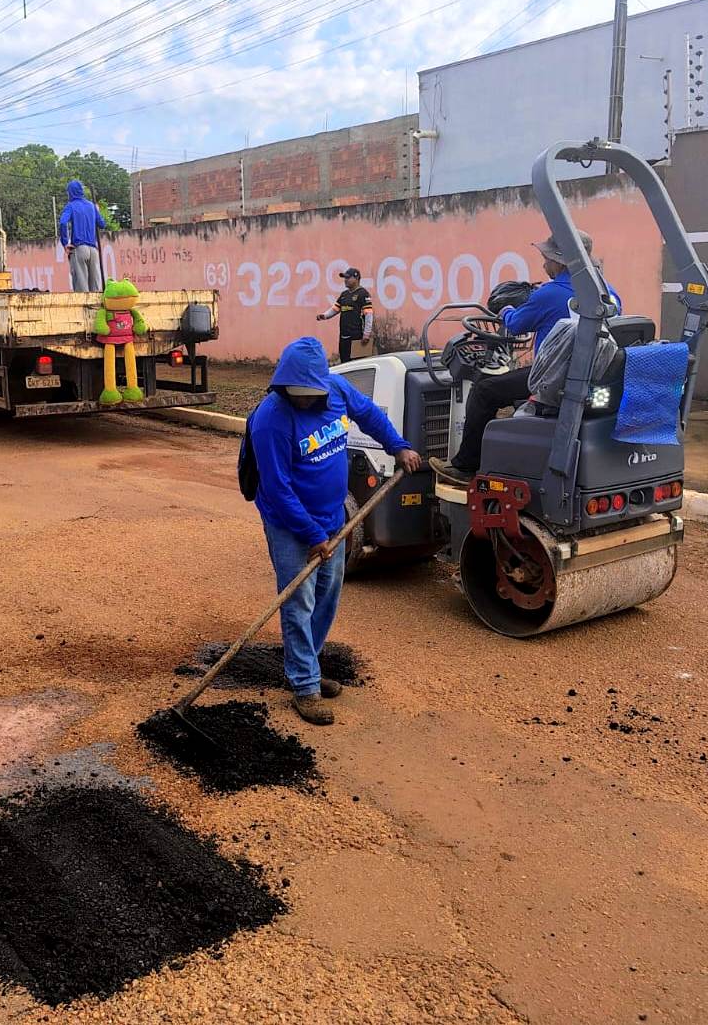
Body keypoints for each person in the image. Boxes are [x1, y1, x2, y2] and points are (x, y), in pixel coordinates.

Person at [249, 337, 422, 725]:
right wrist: (312, 535)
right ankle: (304, 685)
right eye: (298, 395)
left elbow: (370, 416)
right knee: (299, 602)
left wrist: (397, 446)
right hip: (290, 523)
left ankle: (307, 664)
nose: (305, 402)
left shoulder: (337, 389)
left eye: (311, 395)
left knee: (327, 596)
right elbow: (278, 489)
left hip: (332, 517)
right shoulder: (271, 419)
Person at [439, 229, 619, 481]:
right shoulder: (608, 293)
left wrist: (506, 311)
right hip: (594, 377)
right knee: (511, 388)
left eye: (546, 258)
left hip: (554, 380)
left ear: (558, 260)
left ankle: (465, 465)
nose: (544, 264)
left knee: (484, 391)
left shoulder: (549, 294)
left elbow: (515, 324)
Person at [316, 267, 374, 364]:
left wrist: (366, 334)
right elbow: (335, 309)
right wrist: (324, 316)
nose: (345, 280)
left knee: (357, 364)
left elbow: (369, 315)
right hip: (344, 335)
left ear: (356, 278)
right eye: (344, 278)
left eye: (348, 278)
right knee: (345, 363)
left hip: (357, 336)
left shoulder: (363, 294)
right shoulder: (344, 294)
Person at [57, 180, 107, 292]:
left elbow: (63, 222)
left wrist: (65, 243)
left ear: (70, 193)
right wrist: (97, 211)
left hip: (79, 249)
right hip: (93, 250)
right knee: (95, 288)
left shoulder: (70, 206)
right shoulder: (91, 206)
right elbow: (102, 224)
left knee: (81, 289)